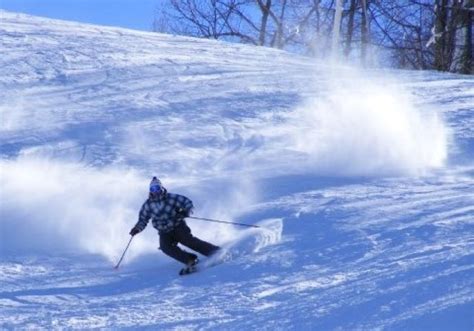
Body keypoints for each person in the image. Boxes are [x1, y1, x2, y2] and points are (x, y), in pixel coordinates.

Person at [129, 177, 220, 268]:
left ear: (161, 188)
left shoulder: (171, 198)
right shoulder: (147, 205)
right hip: (164, 231)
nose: (155, 191)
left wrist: (185, 211)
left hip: (177, 226)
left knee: (188, 241)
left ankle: (215, 252)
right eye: (153, 189)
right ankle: (190, 259)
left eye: (157, 188)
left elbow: (188, 203)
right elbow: (143, 219)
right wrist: (137, 229)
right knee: (166, 248)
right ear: (150, 191)